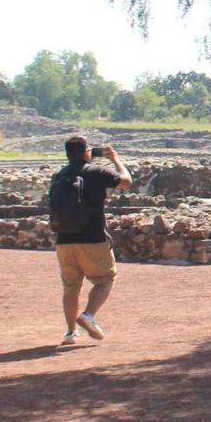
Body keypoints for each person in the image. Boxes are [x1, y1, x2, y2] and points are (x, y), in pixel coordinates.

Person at [52, 136, 131, 346]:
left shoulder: (59, 175)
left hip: (63, 239)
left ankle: (70, 333)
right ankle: (88, 315)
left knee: (70, 286)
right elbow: (126, 181)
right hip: (92, 236)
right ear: (87, 152)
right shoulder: (96, 172)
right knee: (105, 278)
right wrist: (114, 158)